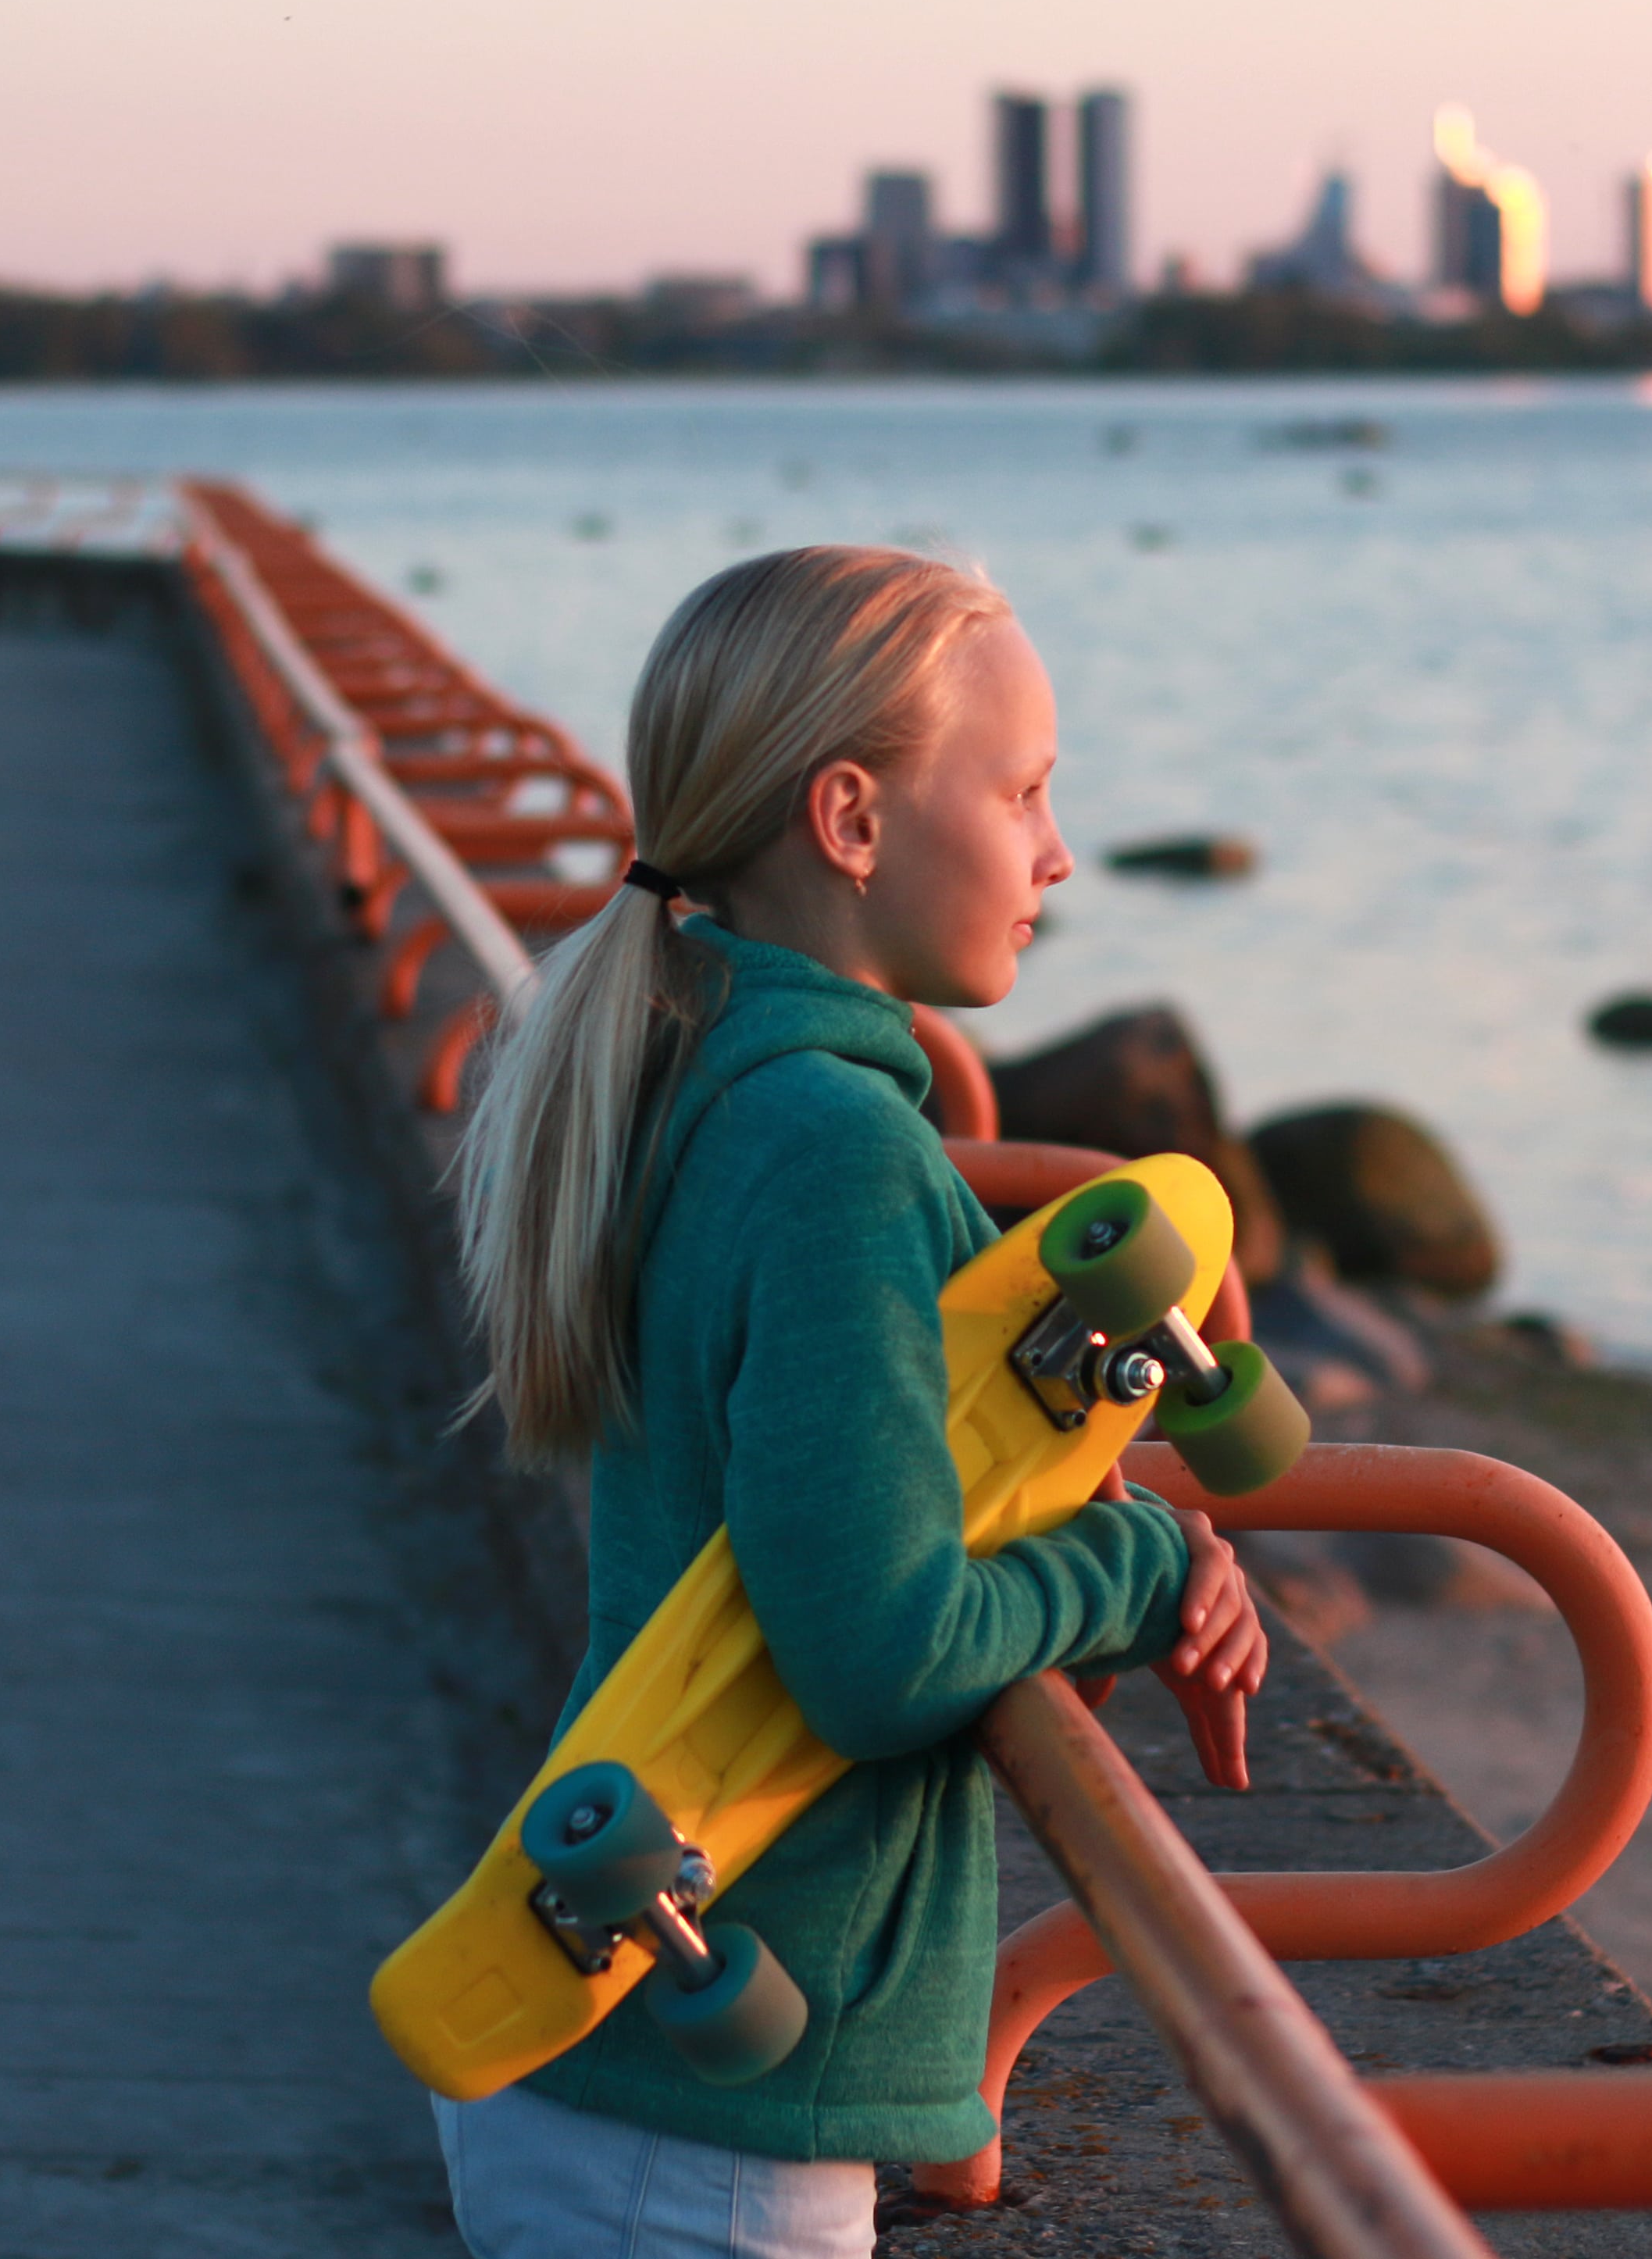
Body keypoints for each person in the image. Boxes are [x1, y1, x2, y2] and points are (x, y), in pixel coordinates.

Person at [436, 547, 1267, 2258]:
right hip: (705, 2133)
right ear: (850, 818)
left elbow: (861, 1495)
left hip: (643, 2055)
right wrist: (1151, 1566)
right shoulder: (833, 1153)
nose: (1056, 850)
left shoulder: (701, 1071)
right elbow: (879, 1644)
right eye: (1025, 790)